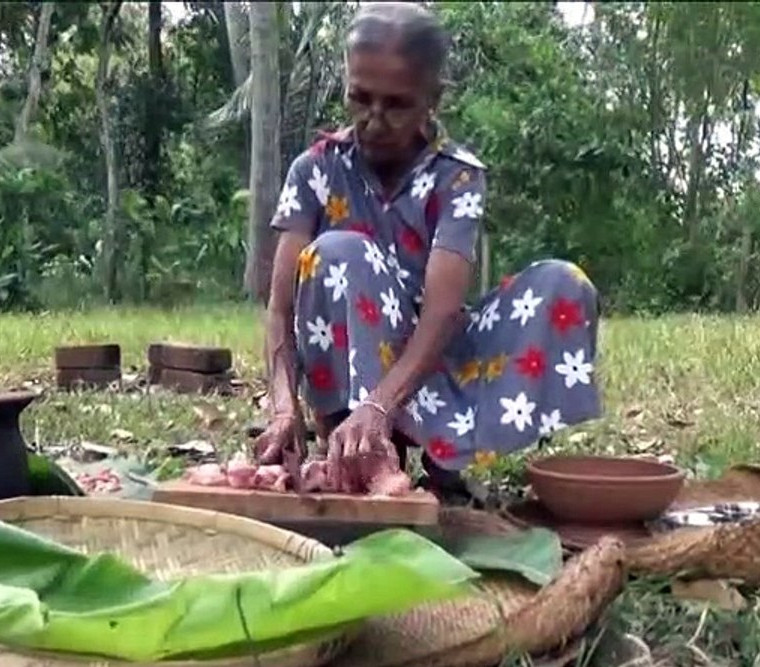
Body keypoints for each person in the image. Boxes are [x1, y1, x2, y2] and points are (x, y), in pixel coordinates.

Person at [253, 1, 601, 495]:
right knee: (341, 253)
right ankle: (351, 448)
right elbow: (279, 308)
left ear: (432, 98)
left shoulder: (456, 176)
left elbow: (443, 311)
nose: (373, 119)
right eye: (360, 98)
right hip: (351, 365)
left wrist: (381, 405)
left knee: (564, 284)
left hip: (432, 368)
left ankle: (436, 455)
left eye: (396, 104)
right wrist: (284, 406)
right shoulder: (314, 170)